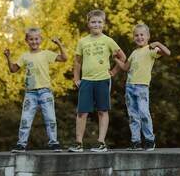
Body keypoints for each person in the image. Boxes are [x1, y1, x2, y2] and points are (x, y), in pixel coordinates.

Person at [68, 9, 126, 153]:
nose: (96, 24)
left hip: (103, 80)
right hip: (86, 80)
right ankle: (78, 143)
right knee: (82, 112)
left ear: (104, 24)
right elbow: (77, 62)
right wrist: (76, 78)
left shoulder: (108, 40)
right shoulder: (83, 41)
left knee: (102, 111)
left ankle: (101, 143)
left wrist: (113, 72)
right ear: (88, 24)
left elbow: (123, 58)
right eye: (93, 22)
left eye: (99, 22)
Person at [3, 27, 67, 153]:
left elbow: (64, 58)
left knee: (50, 118)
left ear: (41, 39)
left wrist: (59, 43)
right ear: (26, 40)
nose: (34, 41)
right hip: (30, 93)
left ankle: (54, 143)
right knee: (25, 119)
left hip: (45, 92)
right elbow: (13, 69)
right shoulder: (24, 56)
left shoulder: (46, 54)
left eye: (36, 39)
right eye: (31, 39)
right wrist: (8, 57)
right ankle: (21, 144)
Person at [113, 23, 171, 151]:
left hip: (142, 87)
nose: (139, 37)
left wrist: (157, 43)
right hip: (129, 87)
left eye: (141, 35)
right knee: (133, 115)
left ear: (147, 36)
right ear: (134, 37)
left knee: (144, 112)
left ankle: (150, 140)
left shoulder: (151, 50)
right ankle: (135, 142)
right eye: (136, 35)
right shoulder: (134, 53)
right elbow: (125, 68)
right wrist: (116, 59)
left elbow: (168, 53)